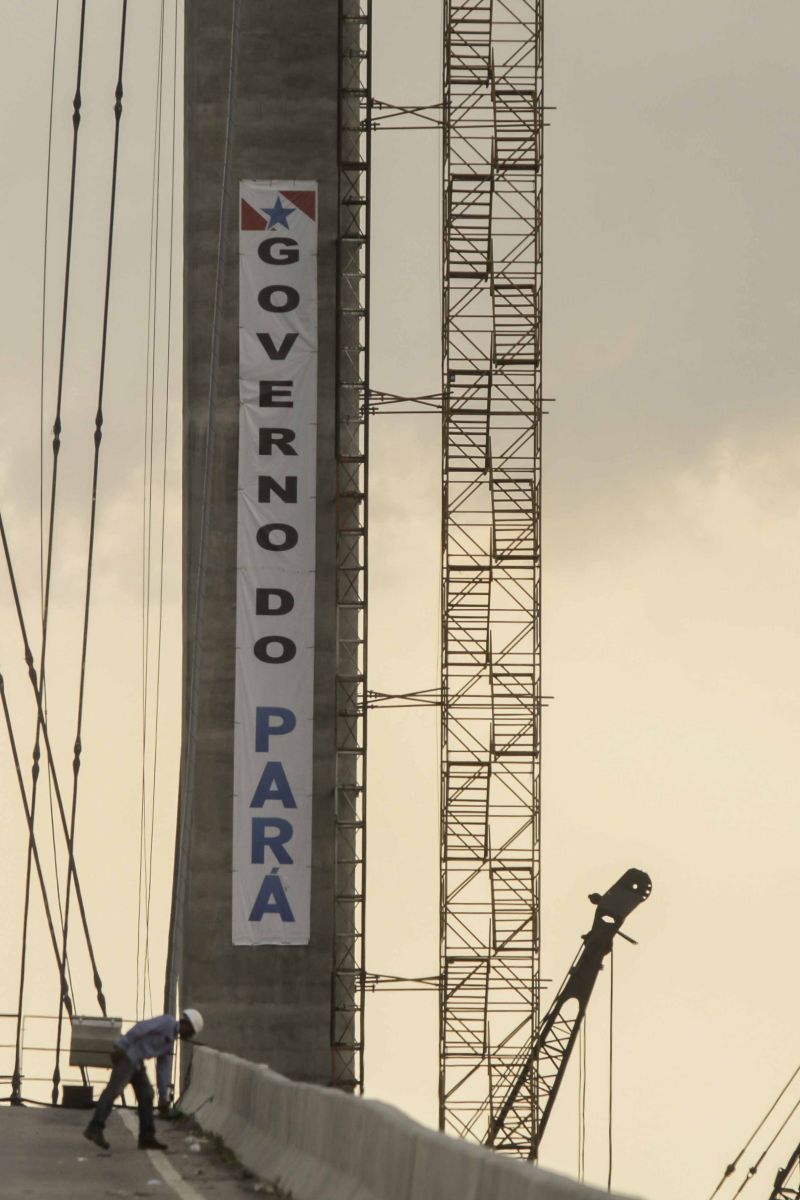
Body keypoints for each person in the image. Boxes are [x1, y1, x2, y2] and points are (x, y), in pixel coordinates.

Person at [83, 1008, 204, 1151]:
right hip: (127, 1056)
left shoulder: (170, 1042)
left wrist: (163, 1095)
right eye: (190, 1032)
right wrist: (122, 1045)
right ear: (187, 1025)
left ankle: (147, 1137)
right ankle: (95, 1127)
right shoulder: (167, 1022)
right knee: (113, 1091)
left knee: (147, 1095)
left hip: (137, 1063)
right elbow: (141, 1028)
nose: (189, 1036)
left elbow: (162, 1068)